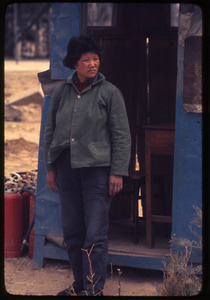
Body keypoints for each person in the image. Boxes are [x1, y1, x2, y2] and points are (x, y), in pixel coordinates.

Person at [44, 35, 131, 296]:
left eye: (95, 58)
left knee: (95, 233)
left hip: (97, 172)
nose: (92, 64)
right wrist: (51, 167)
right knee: (72, 231)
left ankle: (94, 290)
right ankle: (80, 285)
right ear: (75, 63)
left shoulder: (110, 93)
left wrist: (117, 171)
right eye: (86, 59)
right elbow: (50, 131)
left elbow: (122, 135)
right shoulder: (61, 92)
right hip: (66, 170)